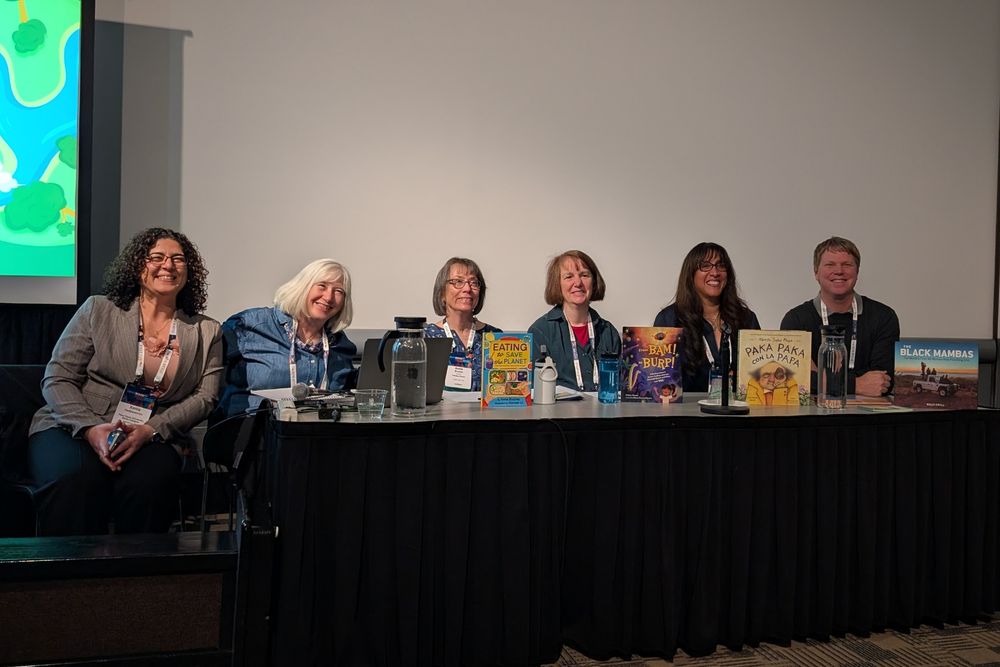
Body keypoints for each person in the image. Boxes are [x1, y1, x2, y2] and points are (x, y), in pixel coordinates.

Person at [27, 228, 222, 535]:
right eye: (156, 257)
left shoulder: (207, 330)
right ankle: (66, 579)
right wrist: (91, 429)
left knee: (152, 483)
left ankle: (133, 581)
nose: (168, 265)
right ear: (137, 265)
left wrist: (150, 430)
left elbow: (205, 397)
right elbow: (58, 377)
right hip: (72, 426)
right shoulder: (98, 310)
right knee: (75, 480)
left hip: (150, 433)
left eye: (178, 259)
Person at [216, 259, 357, 417]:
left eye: (339, 291)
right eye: (322, 286)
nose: (329, 297)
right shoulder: (250, 326)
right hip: (249, 432)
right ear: (303, 286)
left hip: (311, 435)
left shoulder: (340, 345)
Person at [780, 237, 899, 397]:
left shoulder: (884, 317)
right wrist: (856, 384)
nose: (839, 271)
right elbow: (796, 381)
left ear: (857, 271)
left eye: (847, 264)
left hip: (869, 419)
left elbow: (882, 382)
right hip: (813, 417)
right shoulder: (795, 320)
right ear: (816, 272)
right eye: (830, 264)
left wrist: (821, 378)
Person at [653, 243, 760, 392]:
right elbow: (660, 378)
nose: (715, 272)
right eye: (705, 266)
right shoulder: (670, 320)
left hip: (736, 412)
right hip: (687, 412)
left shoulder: (746, 319)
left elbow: (758, 373)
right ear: (691, 274)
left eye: (721, 266)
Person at [528, 250, 621, 391]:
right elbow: (535, 389)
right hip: (557, 412)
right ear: (557, 284)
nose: (578, 283)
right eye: (569, 277)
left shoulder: (608, 332)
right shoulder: (540, 332)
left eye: (584, 275)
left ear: (594, 282)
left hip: (604, 412)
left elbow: (621, 386)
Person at [424, 257, 500, 392]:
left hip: (487, 412)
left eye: (474, 283)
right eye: (458, 281)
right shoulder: (427, 338)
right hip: (439, 412)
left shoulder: (494, 337)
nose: (467, 288)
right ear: (442, 292)